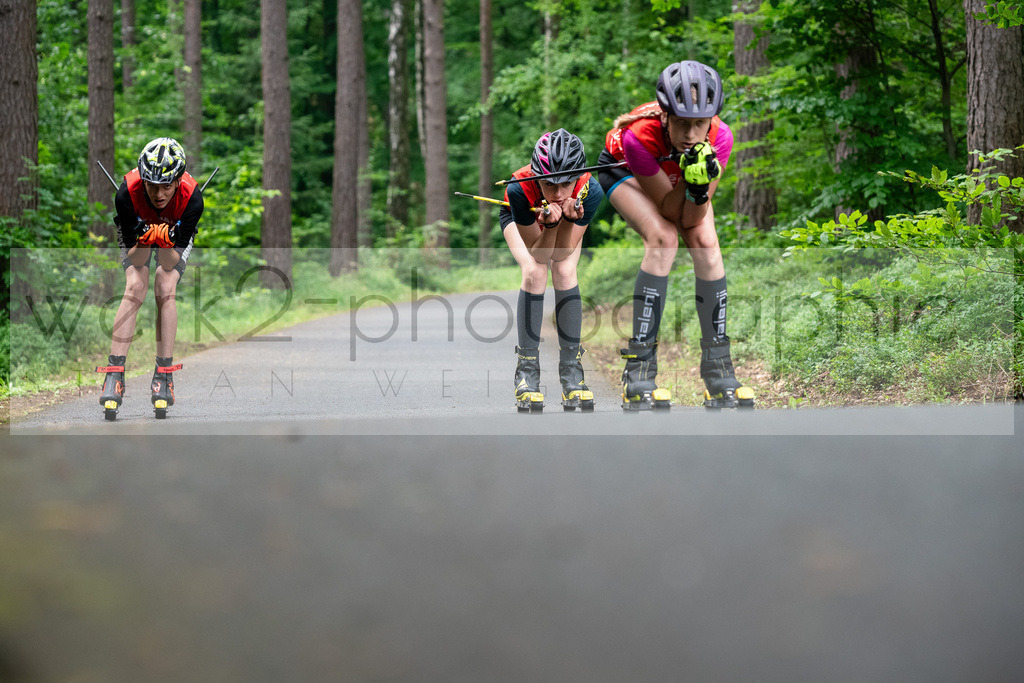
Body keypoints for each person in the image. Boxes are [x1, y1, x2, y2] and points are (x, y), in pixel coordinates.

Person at [598, 60, 755, 410]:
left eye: (699, 124)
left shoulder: (721, 137)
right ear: (665, 117)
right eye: (681, 124)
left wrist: (699, 188)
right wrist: (686, 180)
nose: (690, 134)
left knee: (706, 244)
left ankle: (717, 367)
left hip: (675, 172)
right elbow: (670, 212)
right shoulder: (637, 136)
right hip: (622, 168)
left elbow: (692, 218)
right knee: (663, 239)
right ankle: (639, 370)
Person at [96, 137, 203, 419]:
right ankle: (114, 375)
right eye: (152, 185)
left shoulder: (192, 200)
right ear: (142, 179)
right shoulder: (126, 195)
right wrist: (145, 238)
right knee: (136, 284)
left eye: (166, 185)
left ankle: (164, 376)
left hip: (174, 239)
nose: (158, 194)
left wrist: (165, 240)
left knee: (164, 286)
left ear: (178, 180)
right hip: (137, 242)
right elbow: (139, 260)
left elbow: (168, 264)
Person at [499, 129, 605, 412]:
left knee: (566, 273)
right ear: (537, 176)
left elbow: (562, 253)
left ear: (578, 178)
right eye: (548, 185)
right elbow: (540, 253)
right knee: (535, 272)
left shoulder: (590, 191)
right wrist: (550, 225)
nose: (558, 193)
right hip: (523, 221)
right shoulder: (518, 189)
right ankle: (527, 374)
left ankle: (572, 375)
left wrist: (566, 221)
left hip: (567, 224)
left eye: (566, 184)